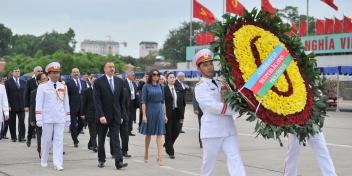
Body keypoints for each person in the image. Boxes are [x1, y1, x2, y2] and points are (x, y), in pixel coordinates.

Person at [194, 49, 246, 176]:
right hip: (212, 132)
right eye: (205, 65)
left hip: (228, 129)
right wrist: (234, 109)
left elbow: (232, 99)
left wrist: (240, 106)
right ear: (199, 69)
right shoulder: (200, 87)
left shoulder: (221, 82)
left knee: (235, 159)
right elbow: (212, 106)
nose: (209, 67)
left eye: (210, 63)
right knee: (208, 165)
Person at [36, 62, 70, 171]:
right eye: (54, 73)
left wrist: (67, 117)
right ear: (49, 74)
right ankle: (44, 159)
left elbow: (66, 104)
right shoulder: (42, 87)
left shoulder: (63, 87)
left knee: (59, 140)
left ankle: (58, 163)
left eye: (58, 73)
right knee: (46, 140)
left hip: (59, 117)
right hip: (47, 118)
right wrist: (39, 118)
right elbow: (39, 103)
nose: (56, 75)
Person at [93, 61, 128, 169]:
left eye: (113, 67)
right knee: (101, 139)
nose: (112, 69)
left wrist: (122, 115)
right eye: (109, 67)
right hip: (103, 116)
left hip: (116, 115)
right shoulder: (98, 82)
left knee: (115, 138)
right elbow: (97, 101)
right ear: (105, 69)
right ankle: (101, 159)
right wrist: (101, 115)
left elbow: (121, 101)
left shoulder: (119, 81)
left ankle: (119, 161)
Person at [138, 69, 167, 166]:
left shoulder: (161, 86)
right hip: (150, 110)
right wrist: (144, 115)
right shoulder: (146, 86)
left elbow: (163, 102)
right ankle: (146, 151)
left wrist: (165, 114)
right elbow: (143, 102)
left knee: (160, 134)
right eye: (154, 74)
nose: (156, 76)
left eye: (157, 75)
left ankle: (160, 157)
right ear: (151, 76)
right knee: (149, 134)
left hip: (159, 110)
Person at [66, 68, 87, 147]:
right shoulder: (68, 84)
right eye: (74, 72)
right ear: (71, 74)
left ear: (79, 73)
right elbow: (66, 97)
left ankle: (75, 136)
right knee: (73, 125)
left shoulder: (84, 83)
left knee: (82, 124)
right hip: (72, 107)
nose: (76, 73)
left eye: (77, 72)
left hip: (82, 108)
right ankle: (75, 140)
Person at [163, 72, 183, 159]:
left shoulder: (178, 88)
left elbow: (182, 103)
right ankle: (170, 152)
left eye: (173, 77)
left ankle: (167, 144)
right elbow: (162, 103)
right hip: (168, 113)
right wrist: (164, 115)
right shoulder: (164, 89)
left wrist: (182, 115)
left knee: (177, 130)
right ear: (167, 79)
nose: (172, 79)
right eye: (170, 77)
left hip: (177, 112)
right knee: (168, 132)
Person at [29, 73, 48, 158]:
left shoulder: (52, 90)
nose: (46, 80)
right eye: (43, 79)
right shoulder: (34, 92)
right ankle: (40, 150)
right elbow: (33, 107)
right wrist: (32, 119)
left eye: (46, 79)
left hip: (50, 117)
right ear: (39, 81)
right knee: (40, 135)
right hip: (39, 117)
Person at [5, 68, 26, 142]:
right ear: (12, 73)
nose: (17, 72)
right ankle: (13, 137)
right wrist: (8, 105)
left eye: (18, 71)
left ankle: (21, 137)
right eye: (16, 71)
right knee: (12, 122)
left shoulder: (23, 82)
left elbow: (26, 94)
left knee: (22, 122)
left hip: (22, 106)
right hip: (12, 106)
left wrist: (26, 105)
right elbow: (6, 95)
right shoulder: (7, 82)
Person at [25, 66, 43, 147]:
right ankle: (29, 138)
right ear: (34, 72)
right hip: (33, 106)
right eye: (38, 71)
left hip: (43, 107)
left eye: (41, 71)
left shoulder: (45, 81)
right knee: (31, 124)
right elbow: (26, 94)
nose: (40, 72)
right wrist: (26, 106)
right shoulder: (30, 82)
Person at [81, 74, 98, 152]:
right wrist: (82, 113)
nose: (94, 82)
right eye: (93, 80)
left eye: (96, 81)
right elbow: (83, 103)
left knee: (96, 131)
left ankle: (90, 144)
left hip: (98, 114)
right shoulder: (86, 91)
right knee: (93, 131)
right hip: (90, 114)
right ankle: (95, 146)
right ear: (90, 81)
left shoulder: (99, 90)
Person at [124, 71, 138, 136]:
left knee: (131, 117)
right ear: (128, 75)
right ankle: (126, 130)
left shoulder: (134, 83)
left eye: (134, 75)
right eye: (132, 75)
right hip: (126, 102)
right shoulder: (124, 82)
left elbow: (136, 91)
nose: (134, 76)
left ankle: (129, 130)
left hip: (133, 102)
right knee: (127, 117)